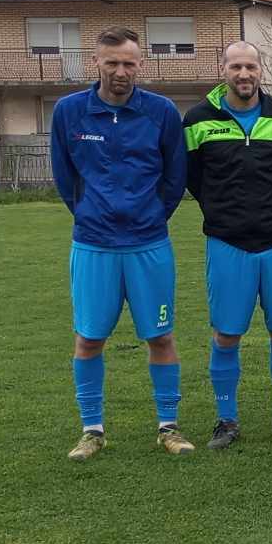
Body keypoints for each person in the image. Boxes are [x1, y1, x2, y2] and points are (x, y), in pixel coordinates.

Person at [50, 26, 191, 460]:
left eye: (129, 63)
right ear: (96, 63)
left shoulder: (162, 112)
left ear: (141, 65)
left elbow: (175, 177)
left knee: (161, 336)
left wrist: (150, 215)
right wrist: (93, 214)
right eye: (112, 63)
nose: (121, 71)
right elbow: (64, 176)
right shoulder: (69, 112)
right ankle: (92, 430)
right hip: (94, 244)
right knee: (89, 339)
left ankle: (168, 425)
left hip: (148, 243)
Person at [182, 39, 272, 449]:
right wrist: (224, 212)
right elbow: (191, 177)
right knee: (226, 334)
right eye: (236, 67)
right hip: (227, 243)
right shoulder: (197, 120)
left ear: (261, 70)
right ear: (222, 69)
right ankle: (226, 419)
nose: (244, 75)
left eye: (251, 67)